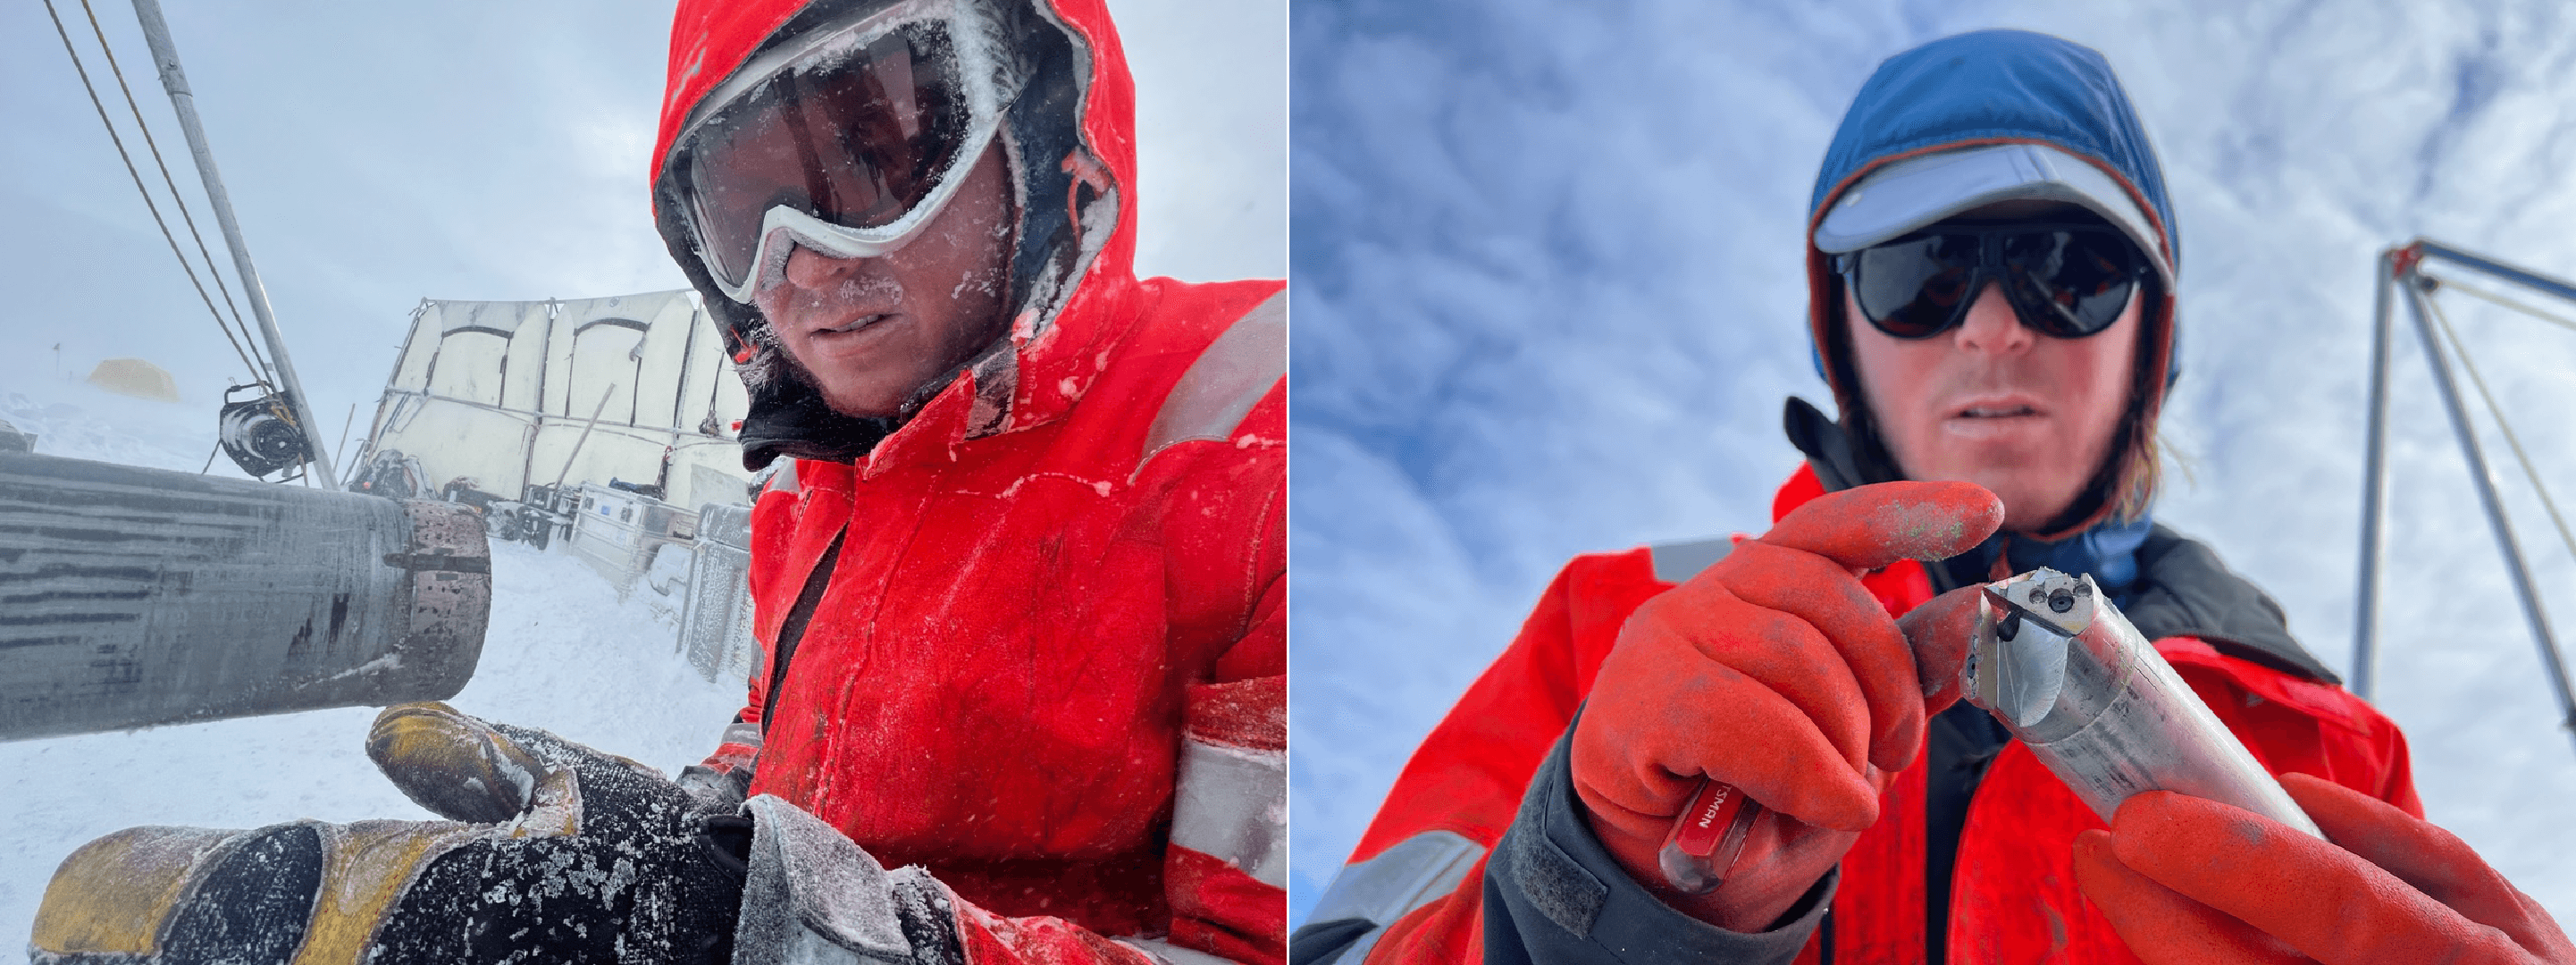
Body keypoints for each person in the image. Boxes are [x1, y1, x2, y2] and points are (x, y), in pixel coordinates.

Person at [29, 2, 1283, 963]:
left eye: (870, 159)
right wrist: (692, 823)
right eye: (743, 213)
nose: (798, 264)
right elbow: (780, 721)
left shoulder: (1258, 434)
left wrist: (766, 928)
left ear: (1041, 117)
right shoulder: (814, 489)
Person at [1291, 29, 2571, 965]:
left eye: (2066, 271)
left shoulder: (2334, 745)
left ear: (2151, 346)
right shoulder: (1616, 623)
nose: (1995, 328)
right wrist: (1583, 890)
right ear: (1838, 335)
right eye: (1922, 272)